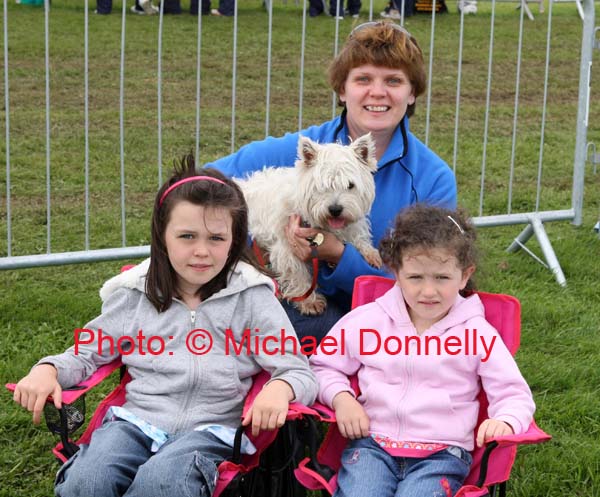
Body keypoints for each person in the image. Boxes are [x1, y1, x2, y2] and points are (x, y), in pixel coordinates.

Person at [12, 159, 318, 497]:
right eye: (187, 236)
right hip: (134, 423)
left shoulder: (251, 298)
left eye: (216, 238)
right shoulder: (134, 295)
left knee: (160, 484)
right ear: (162, 235)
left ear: (234, 241)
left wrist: (281, 389)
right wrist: (49, 369)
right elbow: (85, 355)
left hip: (211, 430)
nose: (202, 251)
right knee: (87, 481)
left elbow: (297, 369)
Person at [204, 22, 457, 343]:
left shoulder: (432, 179)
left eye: (393, 81)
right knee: (318, 326)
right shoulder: (301, 149)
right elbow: (198, 184)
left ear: (412, 94)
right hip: (290, 296)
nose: (377, 92)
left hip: (388, 311)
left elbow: (430, 286)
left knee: (334, 329)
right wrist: (247, 243)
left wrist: (338, 254)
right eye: (363, 79)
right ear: (342, 89)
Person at [310, 204, 536, 497]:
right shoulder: (368, 321)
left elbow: (513, 393)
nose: (428, 291)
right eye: (415, 277)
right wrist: (342, 399)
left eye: (442, 278)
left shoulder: (477, 333)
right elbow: (324, 365)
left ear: (465, 276)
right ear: (397, 272)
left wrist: (505, 421)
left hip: (441, 455)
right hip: (371, 446)